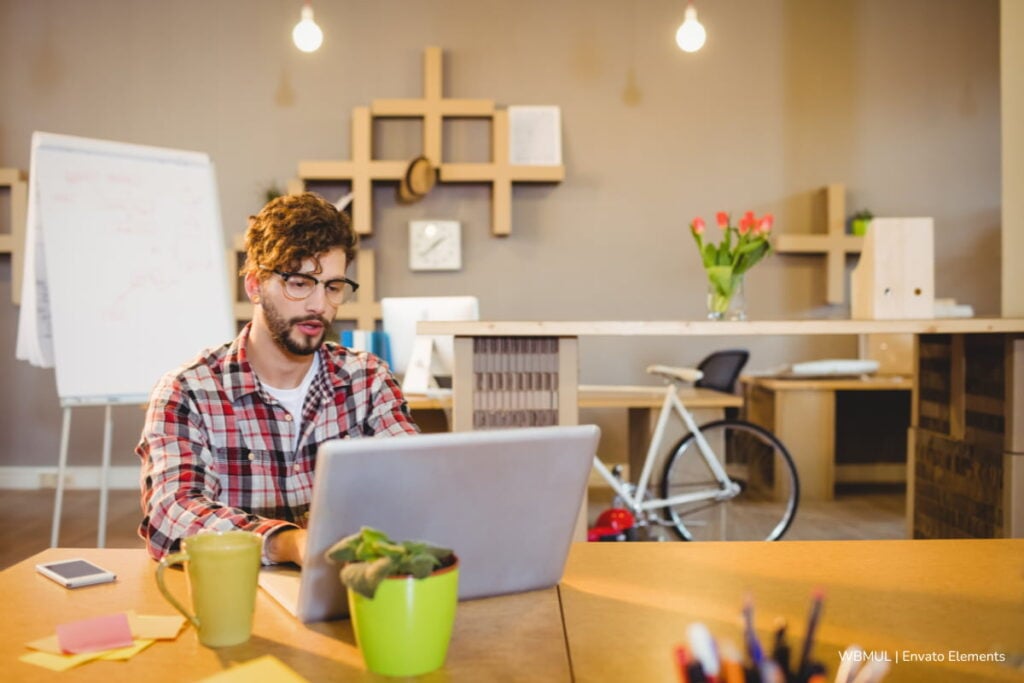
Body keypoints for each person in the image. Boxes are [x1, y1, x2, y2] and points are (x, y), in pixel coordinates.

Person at [136, 192, 418, 565]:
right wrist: (288, 543)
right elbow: (171, 516)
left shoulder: (367, 380)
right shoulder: (187, 391)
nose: (319, 305)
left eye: (333, 287)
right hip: (240, 599)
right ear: (254, 285)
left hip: (347, 594)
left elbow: (416, 483)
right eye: (300, 283)